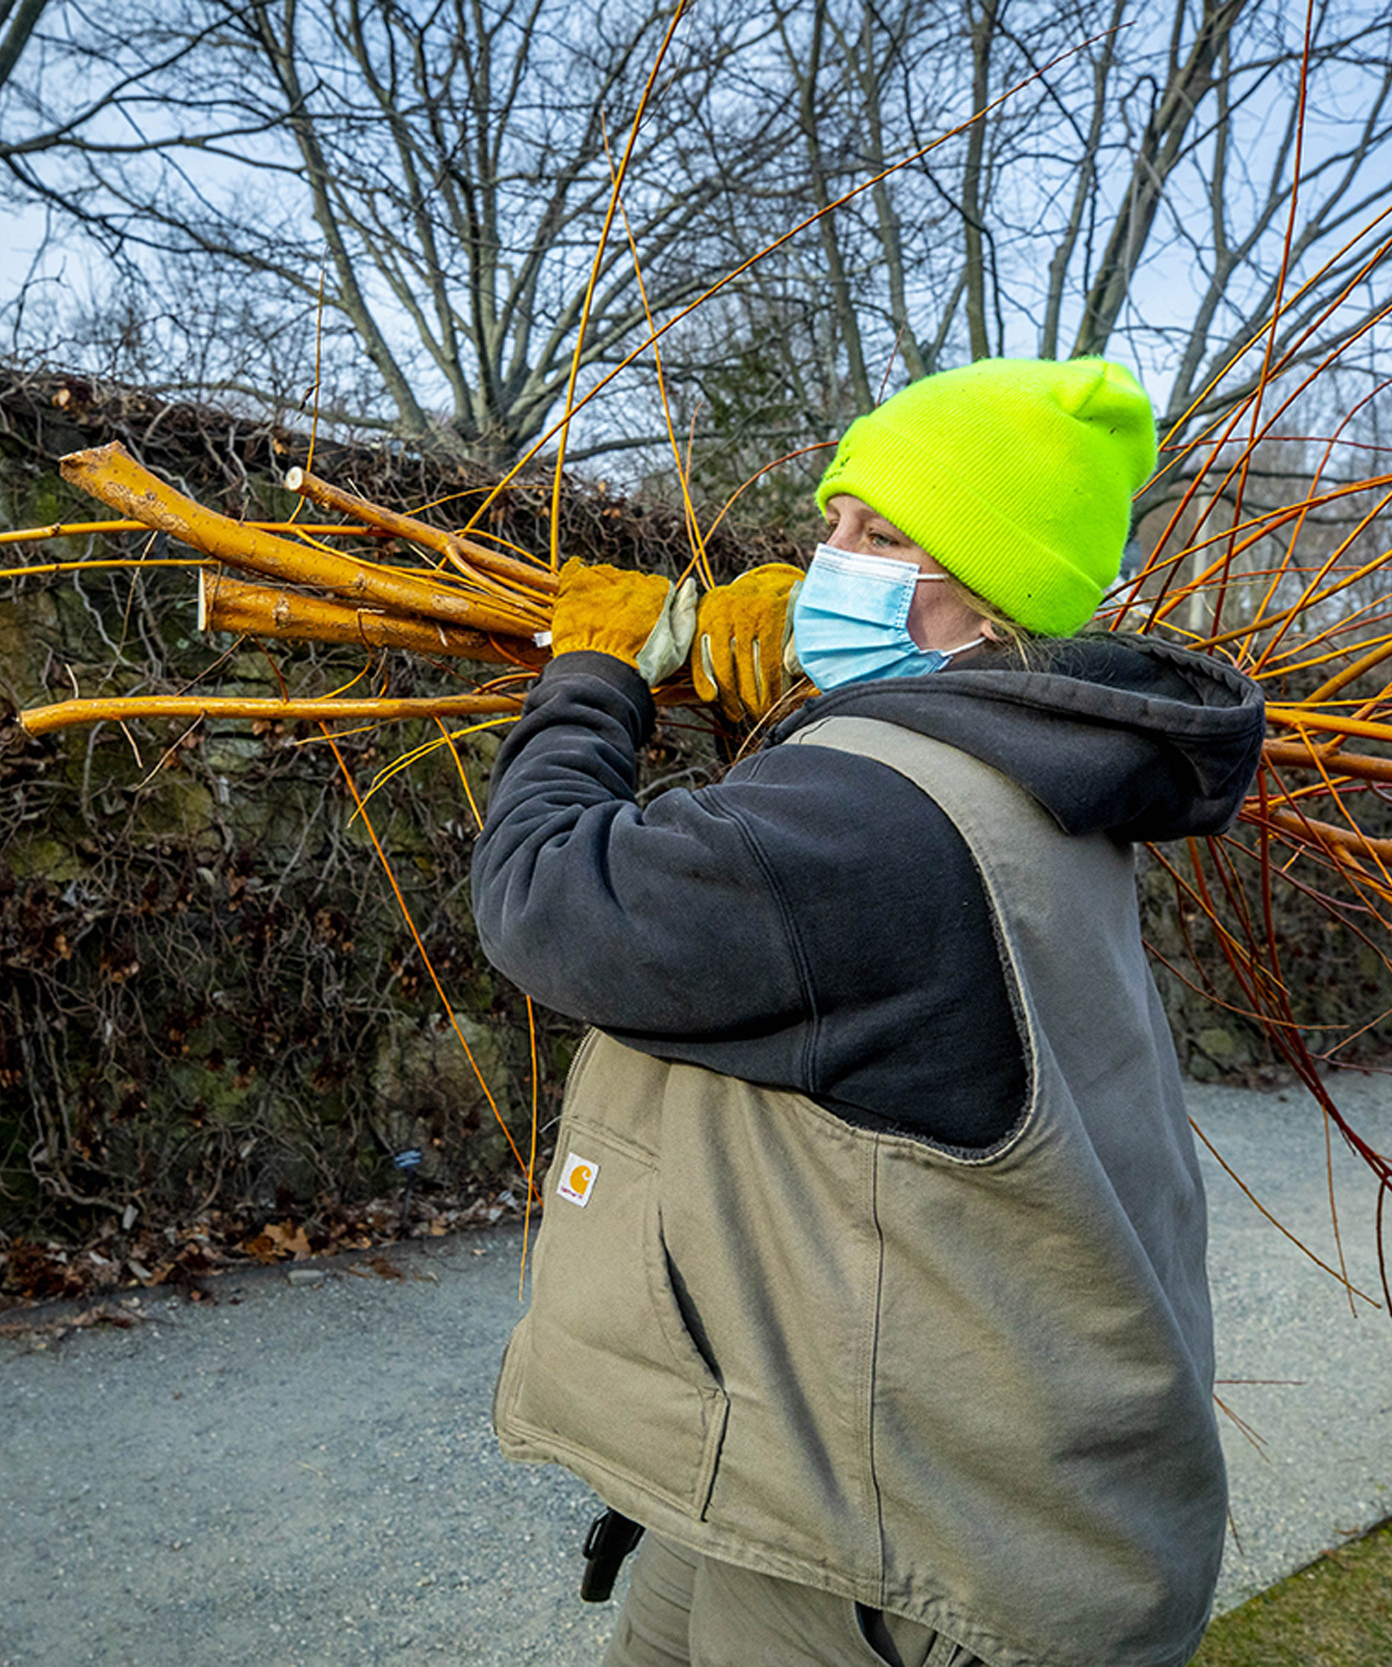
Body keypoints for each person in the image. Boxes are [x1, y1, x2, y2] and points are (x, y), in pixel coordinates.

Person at [467, 358, 1266, 1667]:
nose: (827, 561)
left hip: (908, 1549)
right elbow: (799, 925)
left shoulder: (880, 817)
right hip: (817, 1460)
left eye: (882, 535)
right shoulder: (1026, 772)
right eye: (833, 520)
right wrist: (787, 704)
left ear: (994, 591)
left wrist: (592, 677)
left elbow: (551, 903)